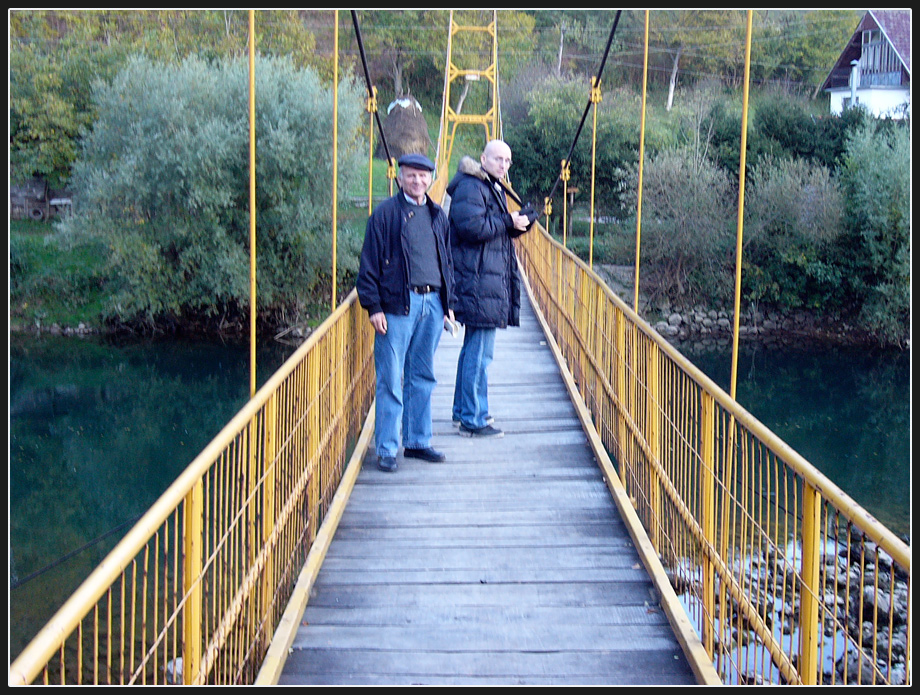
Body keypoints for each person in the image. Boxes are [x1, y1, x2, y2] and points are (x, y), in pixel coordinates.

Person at [356, 153, 456, 472]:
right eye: (410, 176)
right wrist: (373, 307)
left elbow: (447, 263)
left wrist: (448, 305)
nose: (417, 181)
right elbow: (368, 264)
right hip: (398, 306)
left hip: (433, 304)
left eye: (423, 176)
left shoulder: (438, 215)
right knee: (390, 379)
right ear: (399, 178)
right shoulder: (384, 215)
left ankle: (417, 442)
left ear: (431, 179)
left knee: (422, 376)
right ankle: (387, 449)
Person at [446, 139, 533, 438]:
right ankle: (473, 418)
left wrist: (519, 223)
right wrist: (507, 219)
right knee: (480, 354)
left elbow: (494, 230)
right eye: (498, 159)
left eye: (508, 161)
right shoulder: (473, 186)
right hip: (478, 282)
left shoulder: (490, 186)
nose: (503, 165)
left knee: (475, 349)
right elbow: (471, 228)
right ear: (483, 159)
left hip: (485, 280)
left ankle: (463, 411)